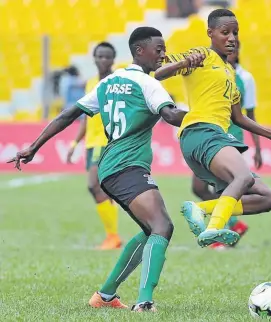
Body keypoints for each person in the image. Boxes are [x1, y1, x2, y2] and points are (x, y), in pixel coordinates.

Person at [8, 27, 203, 313]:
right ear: (140, 51)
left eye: (164, 49)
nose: (162, 55)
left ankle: (106, 295)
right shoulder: (148, 84)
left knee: (152, 230)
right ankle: (145, 303)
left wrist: (34, 147)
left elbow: (67, 114)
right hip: (126, 165)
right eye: (158, 49)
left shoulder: (110, 82)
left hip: (110, 165)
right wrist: (207, 117)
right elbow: (171, 115)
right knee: (162, 226)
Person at [155, 8, 271, 248]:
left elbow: (238, 117)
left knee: (267, 197)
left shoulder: (230, 73)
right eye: (225, 32)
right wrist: (186, 62)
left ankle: (201, 209)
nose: (232, 38)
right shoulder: (201, 56)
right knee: (243, 177)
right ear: (210, 33)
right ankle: (215, 227)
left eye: (235, 33)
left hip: (216, 135)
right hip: (201, 131)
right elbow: (159, 73)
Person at [190, 40, 261, 250]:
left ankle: (219, 233)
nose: (231, 49)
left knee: (225, 187)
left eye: (235, 46)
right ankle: (233, 224)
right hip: (209, 135)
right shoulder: (211, 70)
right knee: (199, 187)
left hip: (229, 137)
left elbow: (250, 114)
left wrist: (258, 147)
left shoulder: (245, 78)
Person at [66, 42, 121, 250]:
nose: (103, 60)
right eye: (100, 56)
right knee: (101, 190)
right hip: (91, 142)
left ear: (113, 60)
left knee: (93, 185)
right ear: (94, 58)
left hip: (106, 142)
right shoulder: (90, 83)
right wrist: (74, 143)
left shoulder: (117, 82)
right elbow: (85, 117)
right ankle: (112, 235)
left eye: (107, 57)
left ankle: (113, 236)